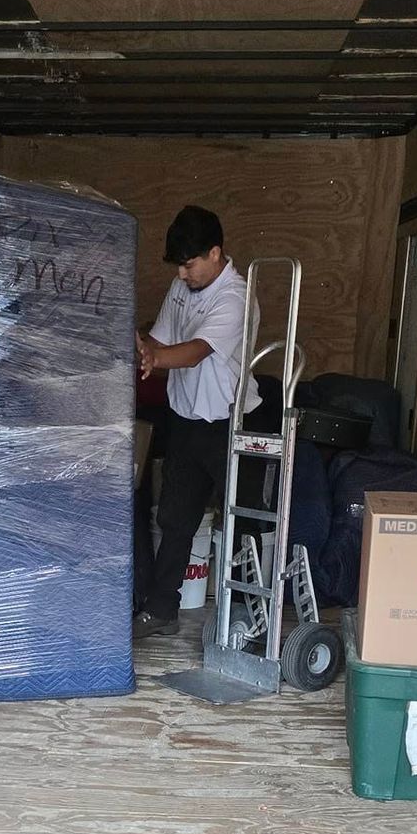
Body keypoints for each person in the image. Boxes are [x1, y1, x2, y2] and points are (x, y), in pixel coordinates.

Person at [132, 205, 256, 639]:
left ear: (215, 253)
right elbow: (161, 339)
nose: (182, 274)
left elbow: (197, 350)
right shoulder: (181, 287)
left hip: (229, 424)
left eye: (189, 264)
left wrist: (155, 357)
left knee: (244, 522)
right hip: (185, 419)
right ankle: (162, 609)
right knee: (174, 518)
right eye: (179, 267)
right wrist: (140, 347)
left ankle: (248, 618)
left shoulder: (236, 295)